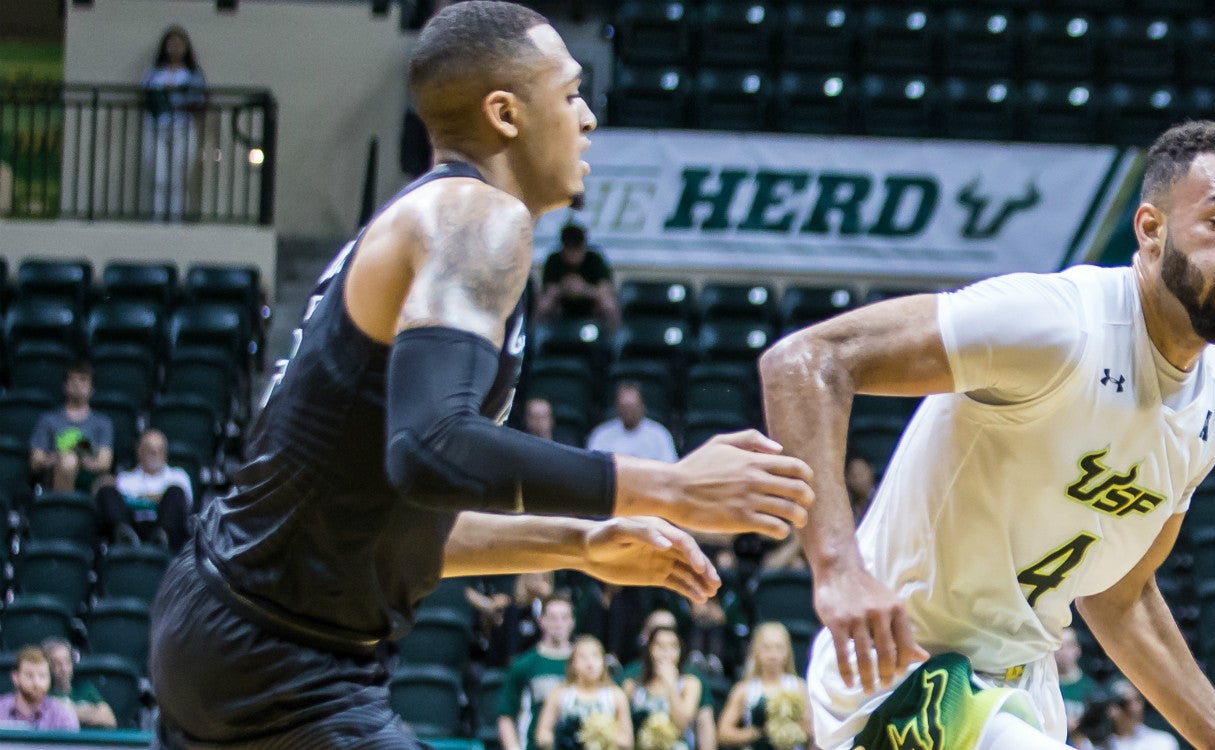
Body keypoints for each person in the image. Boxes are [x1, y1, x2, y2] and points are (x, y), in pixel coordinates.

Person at [147, 5, 815, 747]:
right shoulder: (477, 218)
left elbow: (394, 508)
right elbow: (431, 448)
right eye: (569, 94)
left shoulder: (437, 223)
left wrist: (579, 542)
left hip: (235, 623)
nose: (589, 117)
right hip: (281, 654)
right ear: (505, 113)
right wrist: (673, 485)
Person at [760, 121, 1215, 750]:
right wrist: (837, 569)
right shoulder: (1058, 325)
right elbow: (805, 363)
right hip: (908, 677)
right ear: (1150, 230)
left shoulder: (1212, 401)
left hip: (1023, 691)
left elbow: (1121, 596)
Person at [142, 25, 206, 222]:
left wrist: (179, 96)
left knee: (178, 177)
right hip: (157, 128)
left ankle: (176, 219)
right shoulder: (155, 72)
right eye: (171, 43)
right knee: (159, 177)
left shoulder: (193, 74)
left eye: (179, 43)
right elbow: (146, 96)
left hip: (182, 127)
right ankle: (158, 218)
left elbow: (199, 100)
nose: (175, 48)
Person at [94, 428, 195, 550]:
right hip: (132, 526)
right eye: (150, 450)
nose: (155, 453)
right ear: (139, 450)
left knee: (175, 492)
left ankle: (161, 539)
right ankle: (124, 540)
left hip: (167, 532)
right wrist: (156, 498)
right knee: (106, 491)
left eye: (160, 450)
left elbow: (184, 505)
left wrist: (138, 498)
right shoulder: (125, 478)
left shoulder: (178, 475)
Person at [500, 595, 579, 750]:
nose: (559, 624)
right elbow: (506, 713)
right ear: (542, 621)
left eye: (564, 618)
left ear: (572, 622)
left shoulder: (584, 663)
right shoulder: (524, 664)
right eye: (553, 618)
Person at [717, 623, 810, 750]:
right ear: (756, 651)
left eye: (779, 648)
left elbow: (811, 728)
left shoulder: (799, 687)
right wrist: (759, 733)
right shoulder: (744, 689)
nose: (773, 654)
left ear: (788, 651)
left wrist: (788, 732)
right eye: (767, 648)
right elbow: (723, 732)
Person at [625, 625, 715, 750]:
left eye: (673, 647)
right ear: (649, 649)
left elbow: (681, 726)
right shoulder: (632, 685)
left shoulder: (690, 683)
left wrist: (671, 685)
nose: (666, 653)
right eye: (660, 646)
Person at [535, 636, 632, 750]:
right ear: (573, 663)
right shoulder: (559, 694)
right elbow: (543, 732)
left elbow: (627, 740)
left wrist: (602, 736)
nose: (590, 664)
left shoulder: (616, 695)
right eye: (583, 657)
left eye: (595, 656)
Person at [30, 363, 114, 494]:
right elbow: (36, 461)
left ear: (92, 388)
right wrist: (61, 457)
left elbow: (104, 463)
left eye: (83, 380)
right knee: (68, 460)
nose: (77, 385)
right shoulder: (48, 420)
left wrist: (81, 460)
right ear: (64, 386)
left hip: (89, 477)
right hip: (54, 475)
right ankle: (64, 507)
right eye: (73, 380)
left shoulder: (102, 422)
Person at [537, 224, 621, 327]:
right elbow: (549, 290)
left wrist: (583, 288)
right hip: (562, 304)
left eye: (577, 249)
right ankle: (539, 338)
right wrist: (565, 287)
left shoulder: (594, 259)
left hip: (590, 304)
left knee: (609, 304)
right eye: (569, 249)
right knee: (543, 304)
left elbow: (605, 290)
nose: (573, 254)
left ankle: (613, 340)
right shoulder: (554, 260)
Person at [588, 383, 679, 463]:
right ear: (617, 408)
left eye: (632, 407)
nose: (628, 412)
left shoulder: (659, 434)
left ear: (642, 407)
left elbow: (669, 468)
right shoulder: (601, 435)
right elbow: (592, 468)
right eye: (624, 407)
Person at [39, 638, 114, 729]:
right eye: (57, 664)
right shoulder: (42, 693)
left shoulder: (86, 689)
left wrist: (66, 708)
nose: (64, 669)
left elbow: (109, 719)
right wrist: (88, 710)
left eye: (67, 662)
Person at [0, 647, 79, 731]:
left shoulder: (63, 715)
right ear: (15, 677)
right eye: (29, 675)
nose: (36, 682)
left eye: (42, 676)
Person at [1055, 628, 1097, 734]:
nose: (1064, 652)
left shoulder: (1091, 688)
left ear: (1078, 649)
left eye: (1069, 645)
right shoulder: (1045, 687)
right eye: (1059, 646)